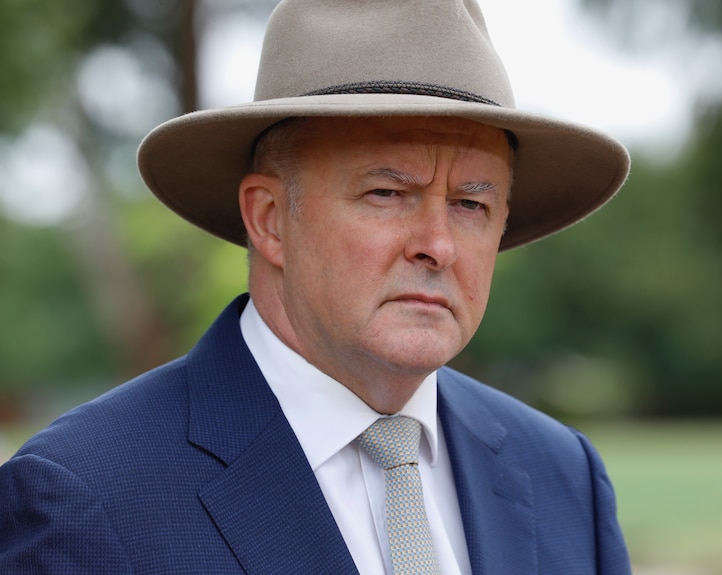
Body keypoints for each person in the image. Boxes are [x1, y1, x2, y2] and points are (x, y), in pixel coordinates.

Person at [0, 0, 632, 573]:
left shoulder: (562, 476)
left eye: (471, 204)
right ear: (270, 220)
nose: (437, 245)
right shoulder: (87, 499)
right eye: (388, 193)